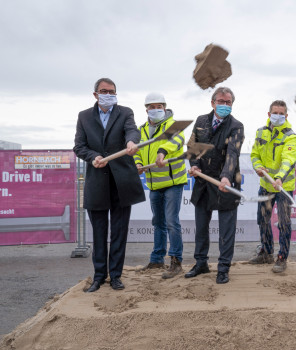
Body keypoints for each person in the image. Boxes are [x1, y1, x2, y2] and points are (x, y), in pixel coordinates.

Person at [73, 78, 145, 292]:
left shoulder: (125, 112)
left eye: (112, 92)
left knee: (119, 232)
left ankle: (115, 276)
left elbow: (132, 131)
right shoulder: (84, 116)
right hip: (97, 182)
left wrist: (131, 142)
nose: (108, 94)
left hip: (122, 181)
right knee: (99, 232)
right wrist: (93, 156)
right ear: (95, 94)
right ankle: (98, 276)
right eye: (104, 91)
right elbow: (79, 146)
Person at [185, 86, 244, 284]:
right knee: (201, 227)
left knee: (227, 229)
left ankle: (223, 267)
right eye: (221, 101)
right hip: (203, 181)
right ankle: (201, 263)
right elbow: (192, 147)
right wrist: (194, 166)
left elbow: (232, 154)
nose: (224, 105)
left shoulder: (236, 126)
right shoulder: (201, 121)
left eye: (228, 103)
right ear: (213, 103)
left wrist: (226, 176)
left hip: (225, 183)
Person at [133, 92, 187, 279]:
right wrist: (138, 164)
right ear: (146, 109)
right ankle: (157, 259)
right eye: (152, 106)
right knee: (158, 222)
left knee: (172, 222)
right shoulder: (141, 130)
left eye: (159, 106)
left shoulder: (173, 125)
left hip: (173, 183)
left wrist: (163, 151)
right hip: (154, 184)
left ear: (165, 107)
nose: (156, 110)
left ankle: (176, 261)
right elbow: (138, 151)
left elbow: (176, 141)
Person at [248, 100, 296, 273]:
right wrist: (258, 167)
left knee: (284, 222)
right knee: (262, 219)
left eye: (281, 113)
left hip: (283, 186)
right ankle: (266, 251)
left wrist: (279, 178)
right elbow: (255, 154)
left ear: (286, 116)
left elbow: (288, 160)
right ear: (269, 114)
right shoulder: (260, 132)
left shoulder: (290, 136)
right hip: (265, 185)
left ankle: (282, 257)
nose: (278, 116)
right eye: (275, 113)